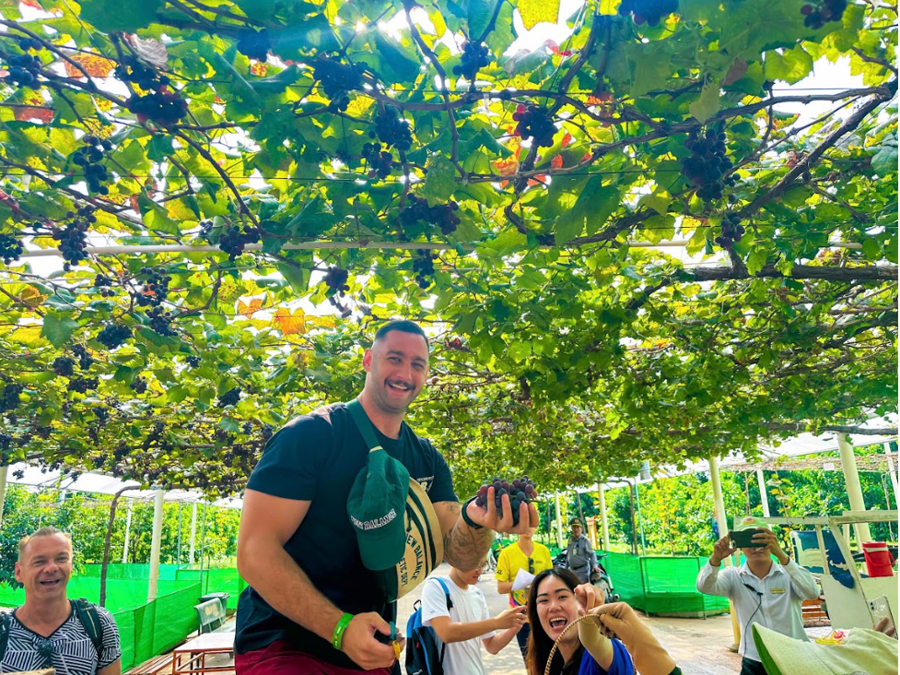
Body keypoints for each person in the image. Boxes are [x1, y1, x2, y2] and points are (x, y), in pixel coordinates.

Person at [234, 320, 539, 674]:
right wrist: (339, 629)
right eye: (394, 358)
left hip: (371, 646)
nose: (405, 372)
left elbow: (457, 552)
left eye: (417, 364)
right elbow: (255, 551)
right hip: (286, 643)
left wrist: (476, 521)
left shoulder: (427, 459)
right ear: (368, 361)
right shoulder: (311, 436)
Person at [696, 516, 819, 675]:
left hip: (794, 655)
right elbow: (703, 586)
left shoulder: (789, 573)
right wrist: (715, 559)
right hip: (754, 660)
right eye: (749, 541)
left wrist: (782, 556)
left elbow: (812, 592)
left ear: (771, 541)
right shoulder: (733, 576)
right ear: (740, 545)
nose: (756, 548)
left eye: (760, 540)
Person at [0, 527, 121, 675]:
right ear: (19, 572)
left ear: (70, 566)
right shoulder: (3, 629)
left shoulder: (99, 623)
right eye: (39, 561)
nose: (51, 568)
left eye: (61, 558)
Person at [420, 559, 526, 674]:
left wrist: (516, 623)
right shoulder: (436, 586)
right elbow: (447, 633)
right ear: (457, 559)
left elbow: (492, 646)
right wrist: (497, 622)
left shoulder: (477, 594)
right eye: (475, 564)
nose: (480, 571)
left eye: (483, 565)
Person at [525, 568, 634, 675]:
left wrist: (589, 610)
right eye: (543, 600)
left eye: (562, 597)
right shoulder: (545, 662)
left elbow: (594, 641)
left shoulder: (602, 655)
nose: (553, 607)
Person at [495, 526, 553, 659]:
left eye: (532, 524)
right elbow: (501, 587)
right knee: (530, 661)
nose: (528, 528)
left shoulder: (543, 551)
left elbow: (551, 580)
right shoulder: (507, 553)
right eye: (524, 523)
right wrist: (521, 583)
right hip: (522, 618)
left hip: (544, 615)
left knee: (549, 660)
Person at [565, 519, 600, 585]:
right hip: (572, 571)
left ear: (581, 529)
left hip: (582, 572)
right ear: (571, 528)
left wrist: (594, 565)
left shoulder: (585, 541)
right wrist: (566, 568)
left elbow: (592, 554)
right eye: (574, 527)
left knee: (581, 591)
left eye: (578, 527)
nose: (576, 529)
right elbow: (568, 554)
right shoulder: (570, 540)